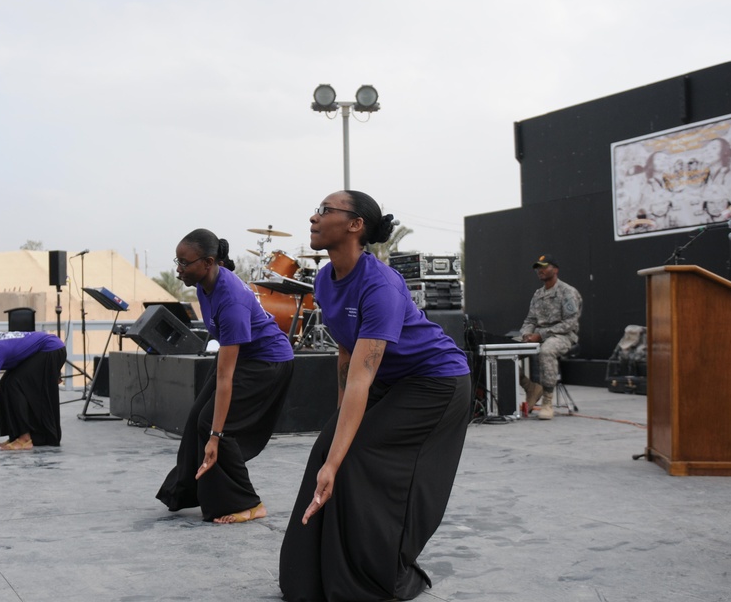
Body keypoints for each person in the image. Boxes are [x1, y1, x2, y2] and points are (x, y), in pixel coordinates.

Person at [279, 191, 472, 602]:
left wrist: (340, 453)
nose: (314, 218)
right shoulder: (323, 279)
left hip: (435, 381)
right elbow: (346, 353)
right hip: (389, 378)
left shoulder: (379, 283)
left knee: (353, 460)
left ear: (355, 225)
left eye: (325, 210)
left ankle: (369, 578)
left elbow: (363, 377)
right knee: (326, 452)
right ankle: (308, 579)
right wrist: (336, 428)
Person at [156, 229, 294, 524]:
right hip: (245, 354)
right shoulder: (204, 284)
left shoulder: (230, 300)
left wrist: (215, 437)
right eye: (176, 261)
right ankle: (187, 489)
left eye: (184, 263)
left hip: (267, 362)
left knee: (216, 426)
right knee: (197, 418)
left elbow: (226, 377)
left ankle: (248, 502)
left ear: (207, 262)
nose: (178, 269)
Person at [519, 254, 583, 420]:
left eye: (544, 267)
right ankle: (530, 387)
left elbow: (570, 323)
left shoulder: (567, 292)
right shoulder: (538, 294)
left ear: (555, 270)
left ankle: (547, 402)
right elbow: (530, 320)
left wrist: (540, 335)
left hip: (563, 336)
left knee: (546, 351)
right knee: (503, 350)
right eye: (538, 268)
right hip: (538, 335)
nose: (540, 271)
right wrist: (526, 334)